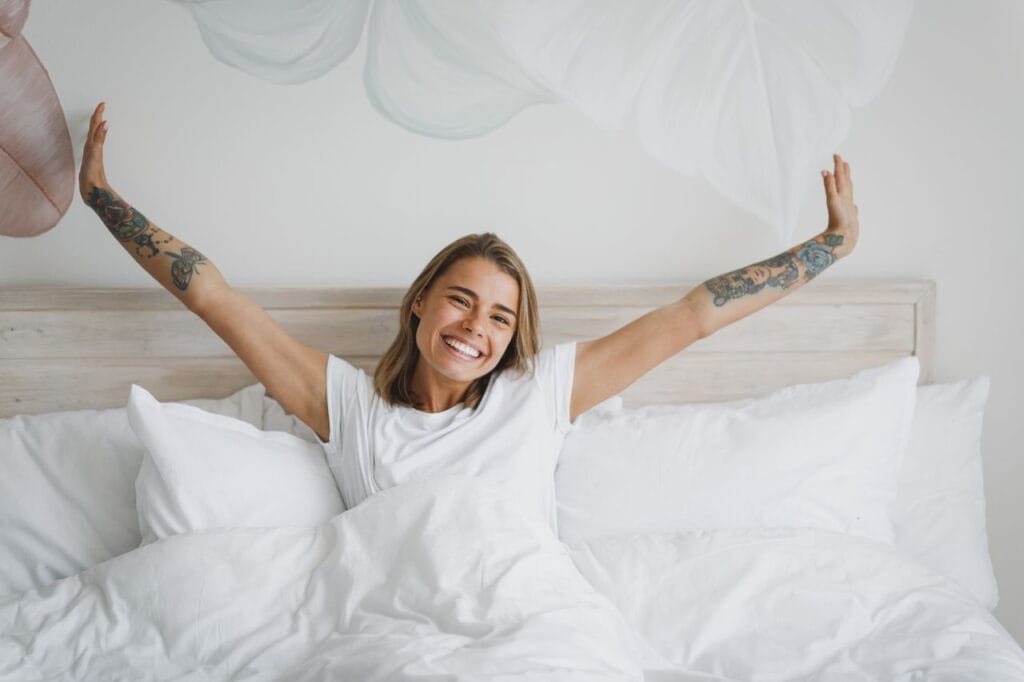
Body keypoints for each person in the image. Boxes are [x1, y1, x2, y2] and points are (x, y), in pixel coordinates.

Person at [78, 102, 860, 532]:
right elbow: (210, 294)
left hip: (521, 615)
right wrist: (100, 197)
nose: (474, 328)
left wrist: (829, 246)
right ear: (420, 301)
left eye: (498, 317)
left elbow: (693, 316)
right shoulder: (345, 405)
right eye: (460, 299)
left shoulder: (542, 392)